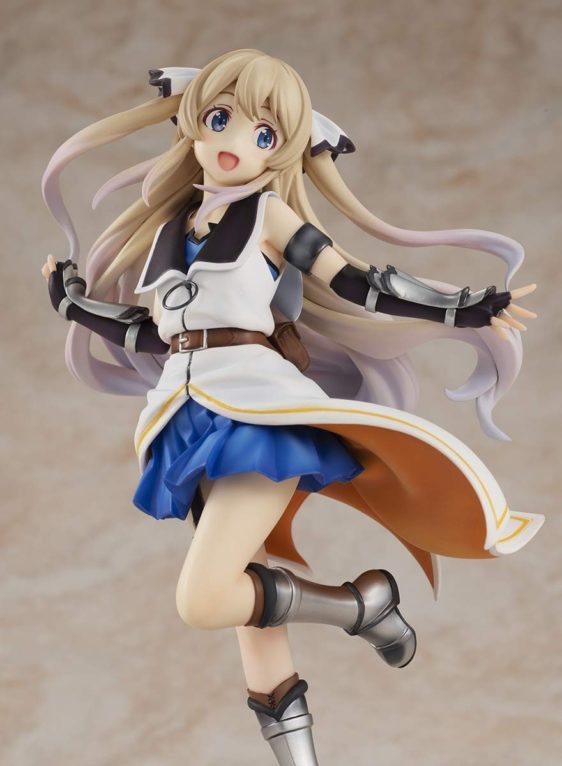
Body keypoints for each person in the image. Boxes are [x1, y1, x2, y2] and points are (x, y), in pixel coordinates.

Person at [41, 49, 543, 766]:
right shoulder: (174, 228)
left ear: (280, 150)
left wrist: (461, 308)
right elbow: (154, 331)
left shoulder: (268, 215)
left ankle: (358, 607)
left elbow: (356, 282)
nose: (234, 142)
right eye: (220, 118)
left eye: (263, 133)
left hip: (254, 412)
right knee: (253, 615)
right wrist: (73, 305)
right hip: (186, 414)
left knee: (203, 600)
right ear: (194, 120)